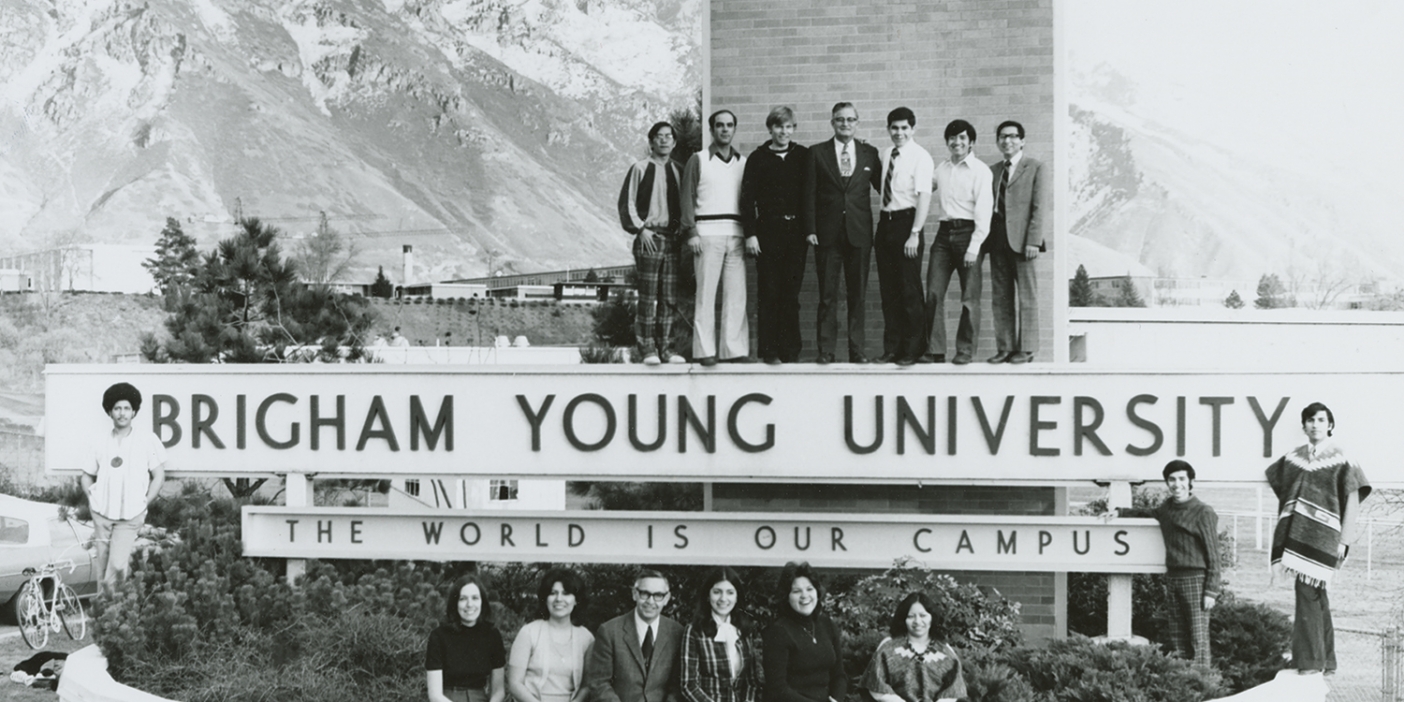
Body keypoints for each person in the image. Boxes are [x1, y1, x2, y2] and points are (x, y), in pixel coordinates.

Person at [1267, 402, 1371, 675]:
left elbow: (1352, 499)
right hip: (1297, 538)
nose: (1315, 424)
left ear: (1330, 425)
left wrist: (1344, 541)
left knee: (1306, 593)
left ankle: (1311, 662)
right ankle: (1326, 660)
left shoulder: (1342, 457)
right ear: (1304, 426)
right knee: (1316, 595)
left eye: (1321, 419)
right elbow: (1279, 481)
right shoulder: (1294, 458)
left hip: (1328, 538)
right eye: (1310, 420)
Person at [805, 102, 881, 364]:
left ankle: (857, 351)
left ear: (857, 122)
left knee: (857, 295)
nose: (845, 124)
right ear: (832, 123)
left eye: (850, 120)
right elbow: (809, 193)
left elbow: (888, 187)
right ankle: (826, 351)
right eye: (840, 120)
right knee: (827, 296)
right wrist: (811, 229)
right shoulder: (817, 153)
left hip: (859, 234)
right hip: (826, 235)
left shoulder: (870, 153)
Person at [741, 106, 811, 365]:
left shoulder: (802, 155)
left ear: (794, 129)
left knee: (790, 295)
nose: (784, 131)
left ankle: (790, 351)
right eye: (779, 126)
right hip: (767, 234)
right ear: (770, 128)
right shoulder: (758, 158)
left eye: (789, 126)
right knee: (769, 292)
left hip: (796, 235)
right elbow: (747, 200)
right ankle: (769, 350)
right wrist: (751, 234)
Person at [81, 382, 166, 595]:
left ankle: (114, 617)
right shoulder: (99, 441)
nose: (122, 413)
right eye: (117, 408)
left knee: (117, 567)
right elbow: (86, 475)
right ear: (110, 411)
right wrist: (93, 499)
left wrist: (144, 502)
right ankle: (103, 621)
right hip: (102, 514)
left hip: (130, 516)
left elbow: (159, 476)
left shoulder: (147, 440)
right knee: (102, 569)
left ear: (134, 411)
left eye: (127, 408)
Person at [921, 119, 992, 365]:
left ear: (971, 142)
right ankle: (934, 350)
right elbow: (920, 187)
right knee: (932, 292)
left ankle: (965, 351)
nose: (957, 142)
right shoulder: (941, 169)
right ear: (947, 142)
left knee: (969, 297)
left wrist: (974, 247)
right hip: (943, 235)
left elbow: (984, 212)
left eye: (962, 138)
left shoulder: (981, 171)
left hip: (968, 234)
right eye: (952, 138)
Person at [682, 110, 750, 366]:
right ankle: (704, 351)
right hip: (706, 235)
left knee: (736, 296)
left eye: (729, 125)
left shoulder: (742, 163)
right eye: (719, 125)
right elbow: (686, 197)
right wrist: (691, 232)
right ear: (711, 130)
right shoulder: (698, 160)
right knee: (706, 295)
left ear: (734, 129)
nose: (725, 129)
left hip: (736, 234)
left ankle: (734, 350)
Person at [618, 122, 687, 366]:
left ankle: (667, 349)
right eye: (659, 137)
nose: (664, 141)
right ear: (651, 141)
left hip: (672, 239)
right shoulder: (640, 168)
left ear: (675, 142)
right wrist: (640, 229)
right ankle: (647, 349)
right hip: (650, 238)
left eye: (669, 137)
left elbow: (686, 203)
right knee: (648, 296)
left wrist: (681, 230)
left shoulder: (679, 170)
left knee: (669, 297)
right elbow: (627, 203)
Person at [873, 107, 935, 366]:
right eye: (894, 128)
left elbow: (925, 196)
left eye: (904, 128)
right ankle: (893, 348)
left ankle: (914, 349)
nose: (899, 133)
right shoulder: (886, 153)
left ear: (913, 129)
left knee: (909, 290)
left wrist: (915, 234)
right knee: (889, 291)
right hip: (885, 224)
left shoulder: (921, 157)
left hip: (907, 224)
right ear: (888, 129)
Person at [983, 120, 1045, 364]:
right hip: (997, 240)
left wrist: (1034, 241)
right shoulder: (992, 170)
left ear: (1022, 140)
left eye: (1012, 136)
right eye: (1002, 137)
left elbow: (1039, 208)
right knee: (1001, 297)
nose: (1007, 141)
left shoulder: (1036, 168)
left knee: (1027, 296)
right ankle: (1006, 347)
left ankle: (1027, 348)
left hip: (1023, 243)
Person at [1152, 459, 1221, 668]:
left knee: (1198, 638)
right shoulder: (1166, 509)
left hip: (1196, 582)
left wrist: (1211, 590)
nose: (1176, 484)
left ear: (1190, 481)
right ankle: (1182, 685)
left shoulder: (1203, 512)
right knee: (1177, 637)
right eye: (1171, 479)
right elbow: (1147, 513)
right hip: (1173, 579)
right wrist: (1119, 512)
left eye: (1182, 479)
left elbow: (1214, 555)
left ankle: (1202, 686)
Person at [585, 569, 684, 702]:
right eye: (644, 594)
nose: (650, 601)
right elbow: (599, 683)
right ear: (634, 594)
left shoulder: (677, 632)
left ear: (666, 598)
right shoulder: (609, 631)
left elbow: (677, 687)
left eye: (658, 595)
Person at [508, 568, 596, 702]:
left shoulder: (587, 638)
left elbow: (587, 686)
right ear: (545, 598)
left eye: (566, 593)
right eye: (553, 593)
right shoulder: (529, 632)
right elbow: (515, 684)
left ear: (577, 600)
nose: (559, 599)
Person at [860, 592, 966, 702]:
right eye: (911, 616)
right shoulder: (888, 647)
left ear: (932, 617)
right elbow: (875, 685)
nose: (917, 621)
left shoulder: (945, 650)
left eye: (923, 615)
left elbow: (953, 689)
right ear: (903, 619)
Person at [761, 562, 845, 702]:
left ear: (817, 592)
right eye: (796, 591)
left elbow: (839, 675)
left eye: (809, 589)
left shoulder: (827, 624)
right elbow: (777, 688)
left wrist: (837, 699)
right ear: (786, 596)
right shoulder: (778, 632)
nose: (804, 596)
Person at [681, 567, 763, 702]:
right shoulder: (694, 631)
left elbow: (751, 682)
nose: (723, 598)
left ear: (737, 597)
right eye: (717, 592)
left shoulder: (744, 630)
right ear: (708, 596)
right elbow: (689, 686)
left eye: (730, 592)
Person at [426, 573, 507, 702]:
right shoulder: (439, 636)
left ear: (482, 601)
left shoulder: (492, 635)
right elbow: (435, 695)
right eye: (463, 599)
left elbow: (498, 691)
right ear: (455, 602)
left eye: (475, 598)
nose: (470, 604)